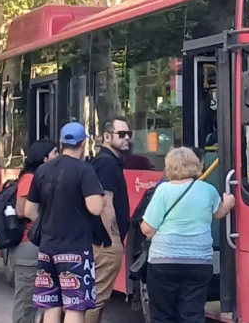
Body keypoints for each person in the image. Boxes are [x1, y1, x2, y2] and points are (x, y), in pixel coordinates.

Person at [140, 148, 235, 323]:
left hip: (163, 262)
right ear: (196, 165)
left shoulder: (163, 191)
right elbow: (219, 213)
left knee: (162, 316)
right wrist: (228, 203)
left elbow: (147, 229)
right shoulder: (208, 190)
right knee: (192, 315)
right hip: (199, 262)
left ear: (169, 167)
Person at [26, 122, 106, 323]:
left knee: (51, 304)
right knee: (75, 307)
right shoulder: (84, 170)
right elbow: (95, 207)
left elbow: (29, 210)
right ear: (83, 143)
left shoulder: (42, 170)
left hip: (46, 249)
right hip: (75, 250)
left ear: (62, 143)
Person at [87, 118, 132, 323]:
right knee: (97, 298)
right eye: (121, 134)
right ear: (106, 136)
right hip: (104, 244)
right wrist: (114, 240)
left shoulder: (108, 162)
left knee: (97, 297)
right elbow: (105, 204)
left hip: (101, 241)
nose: (127, 138)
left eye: (129, 134)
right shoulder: (106, 163)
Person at [11, 140, 58, 323]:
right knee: (26, 303)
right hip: (29, 245)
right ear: (44, 157)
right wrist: (48, 222)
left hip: (39, 245)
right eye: (55, 153)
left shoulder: (41, 176)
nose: (58, 156)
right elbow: (22, 210)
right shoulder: (30, 178)